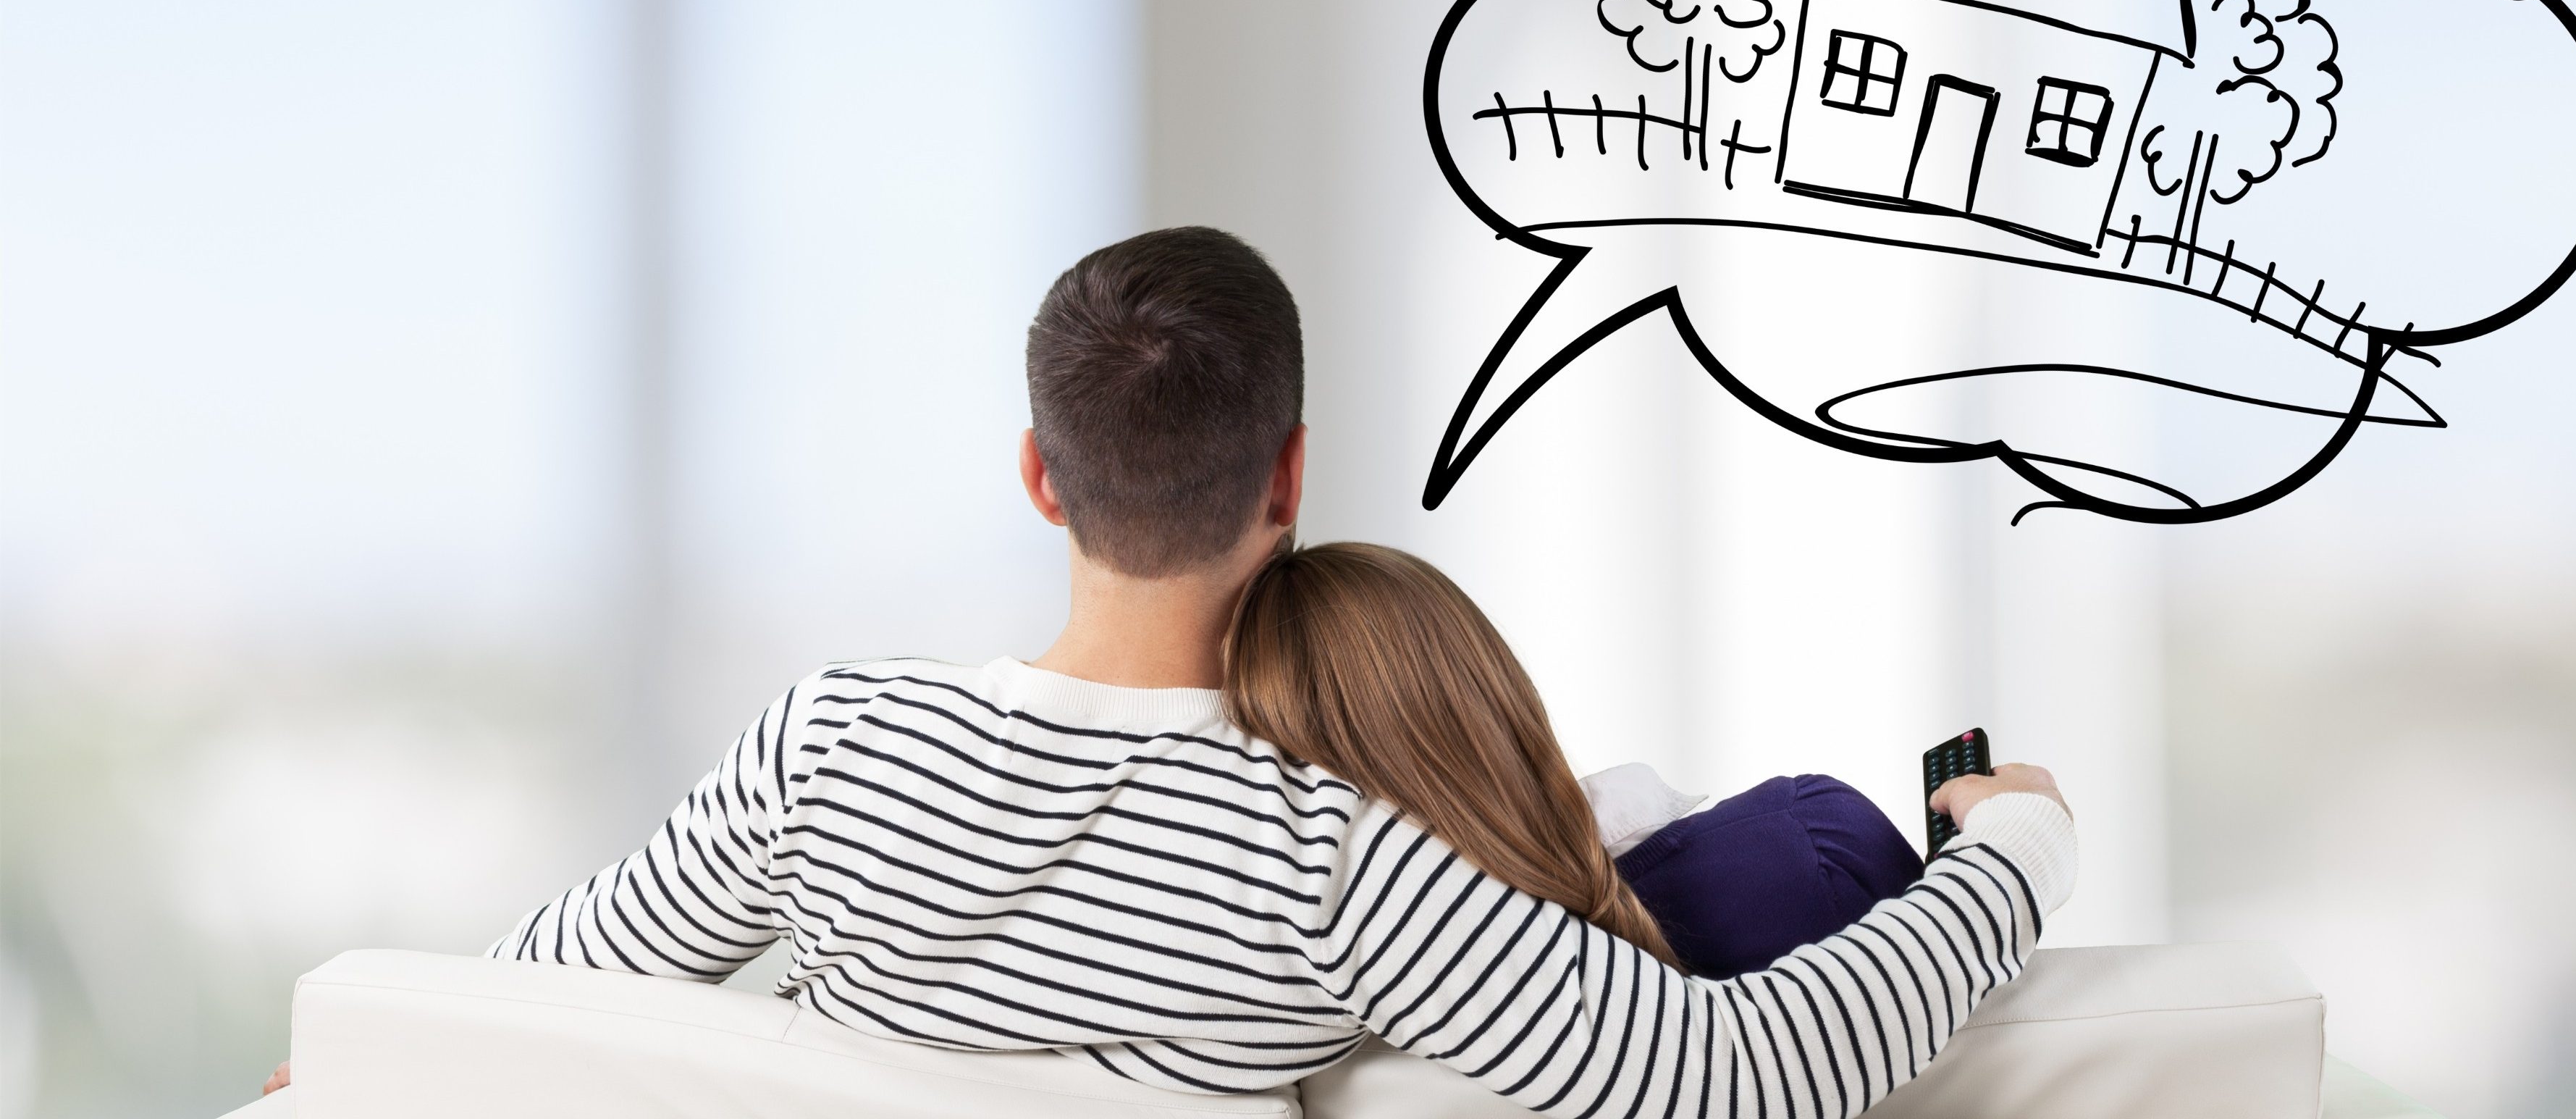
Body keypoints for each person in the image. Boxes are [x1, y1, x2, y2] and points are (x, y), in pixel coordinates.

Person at [262, 226, 2076, 1113]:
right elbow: (1743, 1067)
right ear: (1289, 477)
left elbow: (532, 997)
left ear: (1040, 473)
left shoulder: (830, 746)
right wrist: (2012, 849)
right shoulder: (1343, 859)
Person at [1219, 542, 2008, 988]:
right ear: (1490, 688)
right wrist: (2009, 838)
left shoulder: (1328, 1001)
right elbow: (1995, 1021)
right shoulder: (1807, 846)